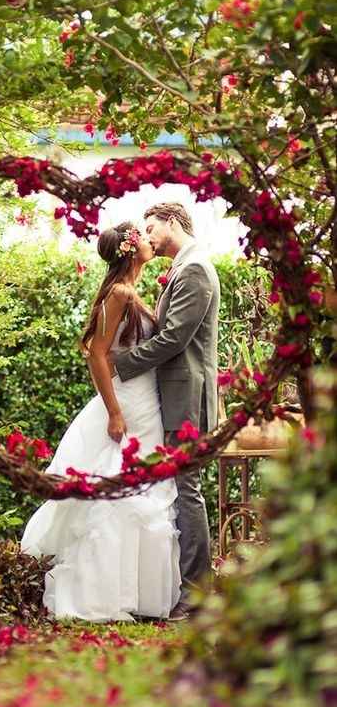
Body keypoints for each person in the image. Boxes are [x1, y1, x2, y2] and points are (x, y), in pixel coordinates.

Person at [21, 221, 181, 622]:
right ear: (130, 249)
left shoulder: (134, 291)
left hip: (145, 401)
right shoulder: (120, 293)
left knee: (141, 491)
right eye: (143, 236)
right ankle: (103, 592)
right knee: (118, 493)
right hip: (127, 404)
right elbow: (96, 354)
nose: (149, 239)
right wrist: (113, 411)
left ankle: (138, 592)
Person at [112, 202, 220, 621]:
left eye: (152, 227)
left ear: (173, 222)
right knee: (180, 489)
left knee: (187, 491)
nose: (148, 236)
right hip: (176, 398)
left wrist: (119, 366)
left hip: (187, 401)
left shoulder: (195, 269)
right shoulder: (183, 267)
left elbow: (174, 339)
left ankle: (196, 596)